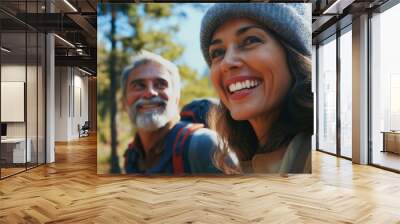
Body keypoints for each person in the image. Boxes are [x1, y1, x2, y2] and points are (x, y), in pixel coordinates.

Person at [200, 3, 313, 174]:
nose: (227, 62)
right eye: (217, 53)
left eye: (251, 40)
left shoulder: (313, 153)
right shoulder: (242, 158)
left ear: (294, 57)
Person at [121, 50, 221, 174]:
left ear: (176, 98)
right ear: (124, 102)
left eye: (160, 84)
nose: (150, 93)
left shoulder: (205, 145)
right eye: (139, 85)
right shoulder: (131, 156)